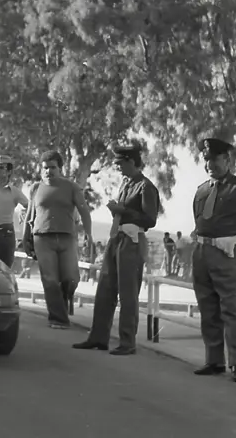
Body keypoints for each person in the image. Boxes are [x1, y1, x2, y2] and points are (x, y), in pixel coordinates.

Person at [73, 143, 160, 356]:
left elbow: (150, 219)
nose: (118, 168)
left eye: (120, 164)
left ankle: (127, 342)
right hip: (116, 237)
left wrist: (124, 210)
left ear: (131, 162)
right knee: (105, 289)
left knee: (128, 293)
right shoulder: (126, 184)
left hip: (132, 240)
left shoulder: (146, 187)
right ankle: (98, 337)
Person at [191, 136, 236, 383]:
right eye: (206, 160)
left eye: (214, 159)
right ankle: (214, 360)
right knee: (208, 307)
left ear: (227, 159)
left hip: (228, 252)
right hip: (203, 252)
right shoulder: (201, 190)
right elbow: (198, 219)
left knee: (232, 309)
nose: (210, 164)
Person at [21, 150, 93, 329]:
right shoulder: (36, 188)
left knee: (71, 278)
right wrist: (25, 239)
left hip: (67, 238)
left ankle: (61, 301)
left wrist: (89, 236)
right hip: (42, 238)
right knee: (50, 279)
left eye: (52, 168)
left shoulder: (72, 187)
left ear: (60, 168)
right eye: (45, 168)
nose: (48, 171)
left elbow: (84, 211)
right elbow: (30, 216)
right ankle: (58, 318)